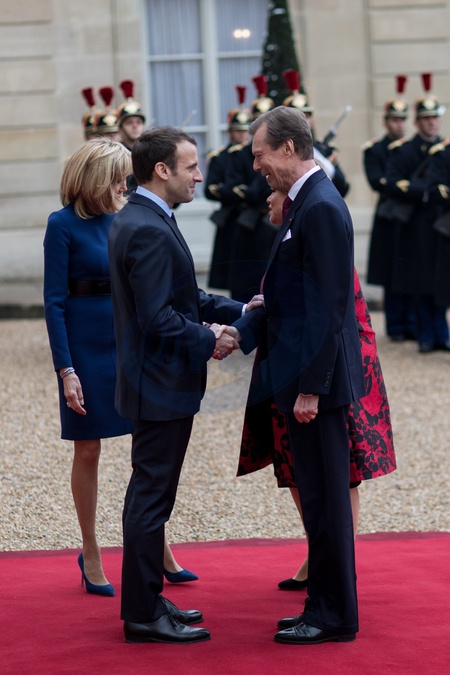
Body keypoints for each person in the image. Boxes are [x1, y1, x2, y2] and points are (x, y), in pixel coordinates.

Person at [108, 126, 260, 644]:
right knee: (151, 499)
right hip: (159, 383)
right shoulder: (147, 226)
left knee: (152, 495)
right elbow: (156, 318)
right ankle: (142, 613)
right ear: (161, 170)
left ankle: (147, 598)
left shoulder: (146, 216)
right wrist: (209, 339)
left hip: (157, 381)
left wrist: (239, 309)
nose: (199, 175)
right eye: (191, 166)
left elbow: (185, 296)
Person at [224, 106, 366, 644]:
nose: (255, 165)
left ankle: (334, 616)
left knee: (327, 504)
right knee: (319, 500)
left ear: (288, 148)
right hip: (304, 380)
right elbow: (295, 294)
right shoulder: (305, 201)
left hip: (316, 389)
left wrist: (311, 387)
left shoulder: (320, 206)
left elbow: (329, 308)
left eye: (260, 154)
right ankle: (320, 605)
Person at [237, 189, 396, 590]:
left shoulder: (316, 217)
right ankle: (319, 554)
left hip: (330, 368)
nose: (267, 198)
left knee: (344, 470)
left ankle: (338, 565)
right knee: (294, 463)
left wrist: (315, 383)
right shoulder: (289, 230)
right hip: (289, 367)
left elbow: (330, 308)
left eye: (273, 191)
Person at [43, 137, 134, 598]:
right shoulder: (61, 225)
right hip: (84, 345)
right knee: (89, 449)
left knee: (148, 443)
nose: (125, 186)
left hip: (127, 340)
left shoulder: (126, 218)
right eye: (118, 178)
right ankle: (91, 548)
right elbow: (54, 303)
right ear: (97, 179)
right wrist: (66, 370)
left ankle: (153, 542)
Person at [384, 72, 449, 353]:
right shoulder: (405, 151)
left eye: (435, 117)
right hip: (418, 224)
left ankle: (441, 332)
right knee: (421, 279)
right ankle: (426, 334)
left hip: (441, 222)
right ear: (417, 121)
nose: (432, 122)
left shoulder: (445, 149)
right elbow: (393, 184)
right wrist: (426, 191)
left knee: (441, 279)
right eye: (426, 118)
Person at [363, 75, 417, 341]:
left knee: (411, 269)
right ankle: (395, 325)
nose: (399, 124)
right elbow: (378, 182)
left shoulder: (413, 148)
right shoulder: (375, 149)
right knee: (390, 270)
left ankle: (412, 323)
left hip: (410, 216)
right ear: (386, 122)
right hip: (388, 215)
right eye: (395, 119)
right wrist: (403, 186)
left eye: (402, 119)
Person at [215, 74, 277, 301]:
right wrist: (254, 193)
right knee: (244, 287)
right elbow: (236, 187)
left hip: (272, 223)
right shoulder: (240, 154)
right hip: (248, 225)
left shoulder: (281, 152)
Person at [205, 85, 251, 293]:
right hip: (230, 220)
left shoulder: (253, 155)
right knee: (232, 275)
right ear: (230, 132)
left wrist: (233, 190)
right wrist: (234, 191)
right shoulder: (220, 157)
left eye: (245, 131)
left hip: (251, 220)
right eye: (238, 131)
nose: (242, 135)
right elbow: (210, 189)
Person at [282, 69, 350, 198]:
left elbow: (343, 188)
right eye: (298, 116)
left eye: (306, 116)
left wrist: (332, 165)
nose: (303, 121)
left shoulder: (322, 149)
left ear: (312, 121)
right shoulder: (281, 152)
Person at [116, 80, 146, 195]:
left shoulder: (149, 150)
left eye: (138, 122)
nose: (134, 126)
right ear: (120, 128)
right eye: (129, 122)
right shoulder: (116, 153)